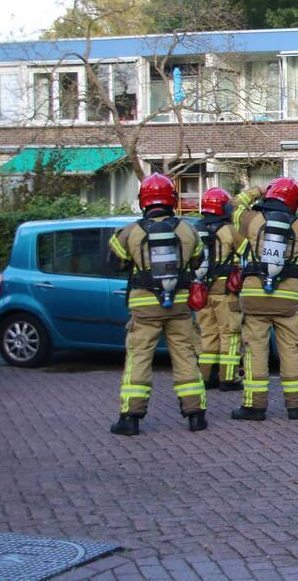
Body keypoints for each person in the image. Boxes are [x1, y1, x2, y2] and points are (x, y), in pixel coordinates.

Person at [107, 173, 206, 435]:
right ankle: (196, 415)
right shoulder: (188, 229)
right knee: (185, 356)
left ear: (144, 201)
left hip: (144, 305)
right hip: (180, 305)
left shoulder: (131, 231)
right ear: (171, 199)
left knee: (139, 357)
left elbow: (115, 263)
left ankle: (130, 418)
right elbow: (198, 262)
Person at [230, 177, 298, 421]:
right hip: (288, 299)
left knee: (255, 352)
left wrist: (257, 190)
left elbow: (232, 206)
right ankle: (296, 406)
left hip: (255, 297)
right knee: (291, 351)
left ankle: (254, 406)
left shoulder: (250, 220)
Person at [194, 187, 247, 391]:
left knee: (207, 333)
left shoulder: (195, 229)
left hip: (201, 291)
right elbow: (247, 253)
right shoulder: (229, 231)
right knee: (230, 334)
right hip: (226, 291)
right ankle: (229, 378)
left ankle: (206, 377)